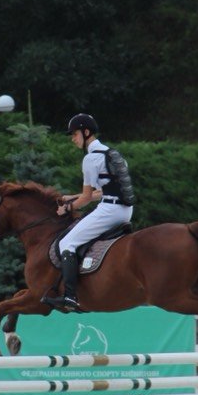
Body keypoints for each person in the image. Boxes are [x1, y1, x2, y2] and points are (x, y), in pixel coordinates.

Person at [44, 113, 135, 311]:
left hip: (110, 210)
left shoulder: (91, 158)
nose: (73, 139)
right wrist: (73, 196)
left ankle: (69, 296)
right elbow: (102, 191)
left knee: (67, 243)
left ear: (86, 132)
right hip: (125, 210)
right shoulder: (112, 153)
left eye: (75, 134)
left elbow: (86, 199)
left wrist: (67, 208)